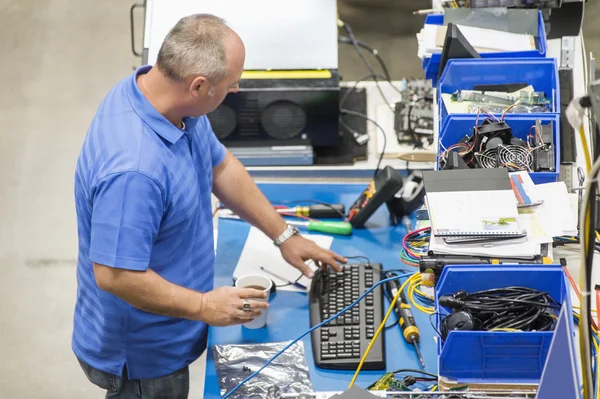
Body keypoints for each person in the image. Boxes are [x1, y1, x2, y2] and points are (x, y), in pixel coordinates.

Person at [72, 13, 347, 399]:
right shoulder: (134, 171)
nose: (236, 91)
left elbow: (219, 165)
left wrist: (283, 235)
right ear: (199, 85)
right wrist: (203, 305)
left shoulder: (162, 96)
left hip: (172, 322)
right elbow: (115, 276)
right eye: (232, 84)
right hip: (145, 354)